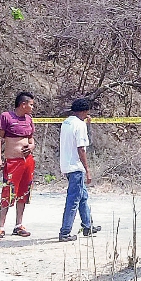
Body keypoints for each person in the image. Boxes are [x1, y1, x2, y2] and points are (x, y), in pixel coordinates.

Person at [0, 92, 36, 240]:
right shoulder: (6, 117)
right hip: (12, 162)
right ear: (23, 104)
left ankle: (19, 225)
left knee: (23, 193)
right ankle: (1, 227)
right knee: (8, 193)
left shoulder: (29, 119)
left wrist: (31, 147)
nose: (32, 107)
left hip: (27, 162)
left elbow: (31, 140)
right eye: (30, 104)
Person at [58, 98, 101, 242]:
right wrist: (87, 170)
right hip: (76, 166)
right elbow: (81, 148)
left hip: (66, 165)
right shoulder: (80, 125)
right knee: (74, 200)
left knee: (83, 197)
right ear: (85, 111)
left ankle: (87, 225)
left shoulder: (67, 122)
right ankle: (65, 232)